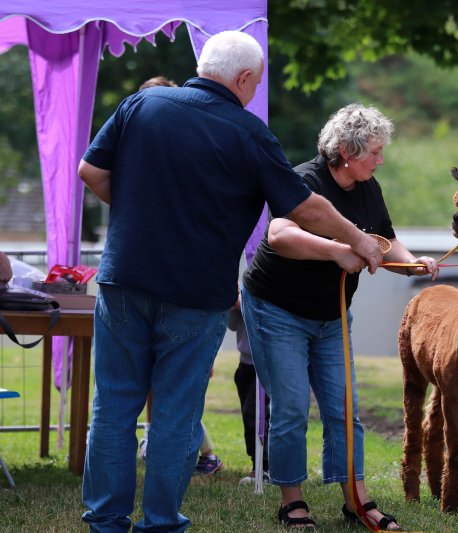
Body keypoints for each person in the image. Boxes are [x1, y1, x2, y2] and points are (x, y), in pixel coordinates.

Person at [78, 31, 383, 532]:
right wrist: (361, 240)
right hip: (194, 294)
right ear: (243, 79)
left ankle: (106, 522)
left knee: (112, 408)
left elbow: (91, 171)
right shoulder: (248, 132)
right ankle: (159, 523)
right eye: (254, 85)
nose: (251, 93)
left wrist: (144, 212)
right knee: (176, 413)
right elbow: (303, 206)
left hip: (123, 281)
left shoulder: (142, 103)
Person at [240, 103, 439, 529]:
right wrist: (338, 251)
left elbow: (384, 239)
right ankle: (291, 501)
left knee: (344, 408)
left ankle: (356, 501)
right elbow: (279, 235)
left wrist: (412, 262)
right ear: (346, 152)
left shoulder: (369, 186)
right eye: (375, 151)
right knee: (291, 407)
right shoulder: (304, 180)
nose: (381, 159)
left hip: (332, 317)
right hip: (277, 310)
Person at [132, 73, 226, 479]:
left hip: (181, 289)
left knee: (176, 385)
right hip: (153, 285)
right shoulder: (143, 158)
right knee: (156, 384)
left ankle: (189, 452)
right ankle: (179, 452)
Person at [229, 292, 269, 484]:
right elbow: (231, 324)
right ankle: (258, 465)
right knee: (249, 416)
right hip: (244, 364)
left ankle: (265, 467)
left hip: (264, 363)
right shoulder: (243, 284)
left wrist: (243, 302)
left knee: (256, 414)